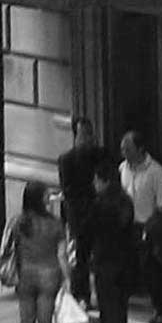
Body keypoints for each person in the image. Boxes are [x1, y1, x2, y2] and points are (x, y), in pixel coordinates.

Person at [0, 182, 69, 323]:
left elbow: (7, 248)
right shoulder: (56, 224)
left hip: (25, 276)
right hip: (50, 278)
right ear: (39, 199)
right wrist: (68, 278)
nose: (49, 198)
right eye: (46, 195)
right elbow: (61, 255)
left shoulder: (18, 222)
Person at [79, 164, 140, 323]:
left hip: (106, 262)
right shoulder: (125, 201)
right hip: (126, 262)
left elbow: (86, 234)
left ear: (104, 181)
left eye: (96, 180)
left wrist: (82, 258)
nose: (94, 184)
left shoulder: (100, 205)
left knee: (110, 308)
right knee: (121, 308)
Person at [118, 129, 162, 323]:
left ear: (140, 149)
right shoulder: (122, 169)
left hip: (149, 226)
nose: (123, 151)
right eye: (122, 147)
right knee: (125, 271)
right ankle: (118, 316)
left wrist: (150, 227)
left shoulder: (156, 172)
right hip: (127, 226)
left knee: (152, 269)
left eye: (128, 148)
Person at [53, 117, 110, 303]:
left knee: (103, 255)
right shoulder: (66, 160)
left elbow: (108, 179)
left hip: (100, 212)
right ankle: (81, 295)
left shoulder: (101, 155)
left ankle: (104, 293)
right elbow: (68, 190)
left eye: (89, 134)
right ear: (76, 136)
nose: (87, 138)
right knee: (81, 256)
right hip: (79, 214)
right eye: (83, 134)